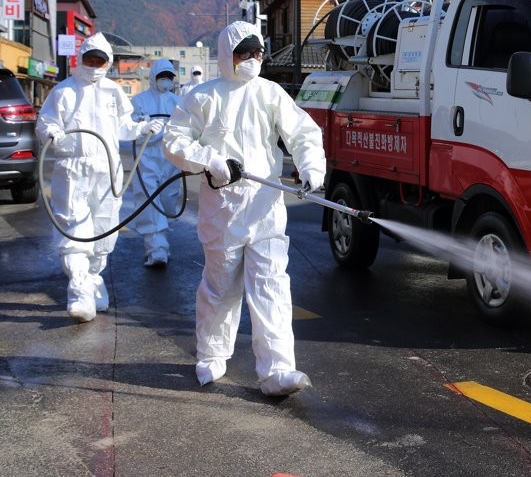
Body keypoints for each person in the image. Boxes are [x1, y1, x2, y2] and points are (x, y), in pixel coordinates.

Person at [163, 21, 326, 397]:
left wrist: (311, 167)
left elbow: (303, 133)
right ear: (227, 55)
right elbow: (173, 141)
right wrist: (210, 160)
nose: (253, 59)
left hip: (265, 208)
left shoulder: (269, 93)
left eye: (258, 53)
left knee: (271, 286)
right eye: (244, 53)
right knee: (221, 287)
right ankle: (211, 354)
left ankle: (277, 370)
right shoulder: (202, 97)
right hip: (223, 211)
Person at [36, 33, 163, 322]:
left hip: (108, 171)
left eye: (100, 61)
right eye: (89, 60)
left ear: (107, 63)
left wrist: (143, 129)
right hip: (73, 171)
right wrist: (52, 132)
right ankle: (79, 289)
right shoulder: (64, 91)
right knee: (75, 231)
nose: (94, 65)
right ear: (80, 59)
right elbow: (47, 122)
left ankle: (93, 279)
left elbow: (123, 127)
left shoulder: (113, 91)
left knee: (104, 234)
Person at [127, 59, 182, 268]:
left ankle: (161, 242)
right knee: (150, 201)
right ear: (153, 77)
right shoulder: (139, 101)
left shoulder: (177, 102)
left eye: (169, 77)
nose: (165, 81)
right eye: (162, 76)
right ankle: (156, 250)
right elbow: (131, 128)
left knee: (168, 201)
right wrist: (145, 128)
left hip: (170, 159)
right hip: (148, 157)